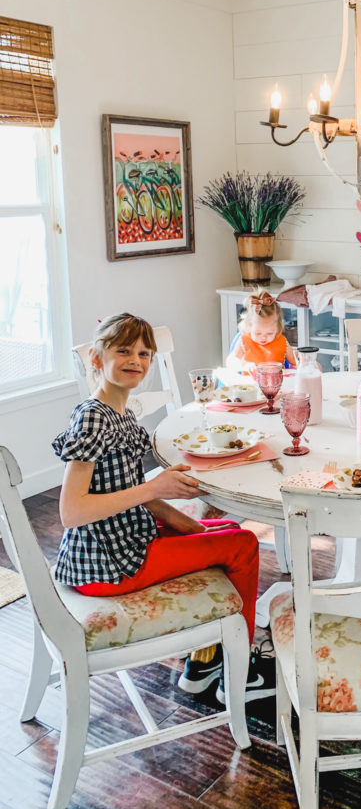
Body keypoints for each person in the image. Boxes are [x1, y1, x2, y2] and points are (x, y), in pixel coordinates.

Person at [53, 313, 275, 704]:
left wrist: (189, 525)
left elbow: (136, 492)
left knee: (222, 531)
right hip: (109, 564)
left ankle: (207, 659)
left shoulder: (120, 412)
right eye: (123, 350)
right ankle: (237, 670)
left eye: (144, 353)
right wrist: (154, 487)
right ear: (96, 357)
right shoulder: (92, 416)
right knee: (243, 545)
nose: (135, 360)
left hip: (125, 542)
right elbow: (71, 511)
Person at [226, 290, 297, 369]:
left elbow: (295, 362)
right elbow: (230, 362)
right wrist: (244, 365)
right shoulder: (244, 341)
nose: (263, 337)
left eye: (270, 333)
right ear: (249, 326)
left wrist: (300, 362)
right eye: (258, 333)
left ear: (278, 328)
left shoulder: (282, 342)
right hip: (250, 381)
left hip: (276, 381)